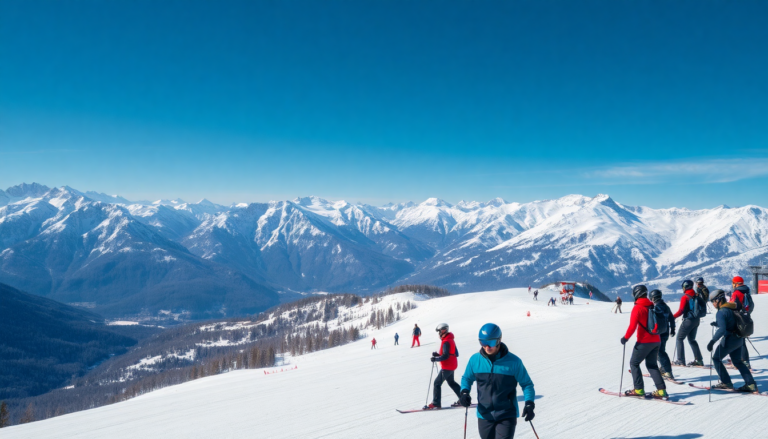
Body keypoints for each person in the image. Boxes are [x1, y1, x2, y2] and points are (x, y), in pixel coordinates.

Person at [459, 323, 535, 439]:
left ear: (499, 340)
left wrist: (529, 403)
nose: (487, 347)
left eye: (491, 342)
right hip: (484, 414)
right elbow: (467, 378)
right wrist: (464, 392)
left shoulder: (514, 362)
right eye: (483, 342)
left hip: (506, 414)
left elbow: (527, 384)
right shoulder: (475, 360)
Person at [621, 285, 667, 399]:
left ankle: (639, 389)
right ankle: (661, 391)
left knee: (634, 363)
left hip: (644, 341)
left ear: (636, 294)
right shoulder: (652, 305)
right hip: (656, 339)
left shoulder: (638, 308)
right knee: (652, 365)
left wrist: (625, 338)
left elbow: (632, 327)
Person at [707, 289, 757, 392]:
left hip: (730, 339)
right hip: (739, 339)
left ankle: (726, 382)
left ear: (718, 300)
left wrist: (712, 341)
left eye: (713, 301)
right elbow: (730, 322)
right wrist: (717, 324)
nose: (713, 304)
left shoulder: (721, 312)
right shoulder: (732, 307)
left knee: (716, 358)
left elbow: (722, 330)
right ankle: (751, 384)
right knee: (737, 361)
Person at [424, 323, 462, 409]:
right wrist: (438, 355)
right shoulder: (450, 339)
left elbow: (446, 356)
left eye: (440, 331)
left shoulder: (446, 342)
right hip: (452, 365)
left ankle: (436, 403)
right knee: (451, 382)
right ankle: (463, 399)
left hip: (447, 367)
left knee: (437, 383)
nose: (439, 333)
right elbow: (454, 353)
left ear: (444, 330)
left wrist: (436, 359)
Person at [672, 280, 704, 367]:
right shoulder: (696, 295)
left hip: (688, 320)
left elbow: (681, 311)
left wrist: (672, 317)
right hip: (696, 320)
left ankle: (680, 360)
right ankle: (699, 360)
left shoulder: (685, 297)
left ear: (685, 287)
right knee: (692, 340)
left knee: (679, 338)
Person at [727, 276, 754, 369]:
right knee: (741, 340)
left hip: (737, 319)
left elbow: (732, 305)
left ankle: (743, 361)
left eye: (732, 283)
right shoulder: (746, 291)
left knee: (735, 340)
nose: (732, 284)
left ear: (736, 283)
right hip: (745, 319)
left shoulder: (737, 292)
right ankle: (743, 360)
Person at [649, 289, 676, 380]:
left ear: (653, 298)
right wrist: (672, 328)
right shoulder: (665, 306)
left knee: (660, 352)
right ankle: (664, 369)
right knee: (660, 351)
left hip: (658, 333)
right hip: (665, 332)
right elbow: (671, 318)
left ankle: (668, 372)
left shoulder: (655, 307)